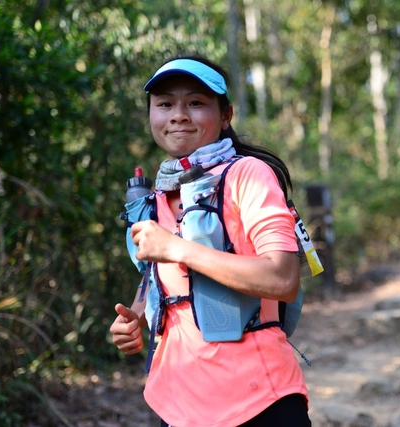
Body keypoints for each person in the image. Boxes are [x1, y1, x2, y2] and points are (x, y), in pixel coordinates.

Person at [109, 54, 311, 427]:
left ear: (226, 115)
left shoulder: (248, 174)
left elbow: (283, 279)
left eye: (196, 103)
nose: (178, 115)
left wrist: (177, 248)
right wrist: (135, 318)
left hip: (259, 401)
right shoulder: (154, 199)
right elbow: (157, 279)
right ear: (151, 114)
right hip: (177, 404)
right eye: (165, 104)